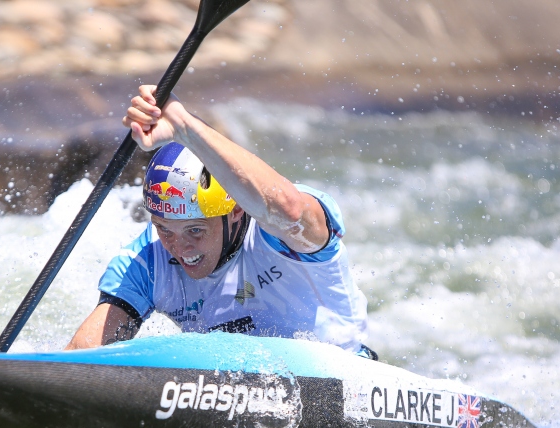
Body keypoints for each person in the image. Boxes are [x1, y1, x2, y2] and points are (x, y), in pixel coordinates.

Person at [66, 84, 371, 357]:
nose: (180, 247)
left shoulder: (280, 234)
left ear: (236, 210)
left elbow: (287, 209)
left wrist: (182, 125)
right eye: (164, 229)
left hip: (345, 377)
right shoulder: (146, 262)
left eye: (195, 229)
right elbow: (81, 358)